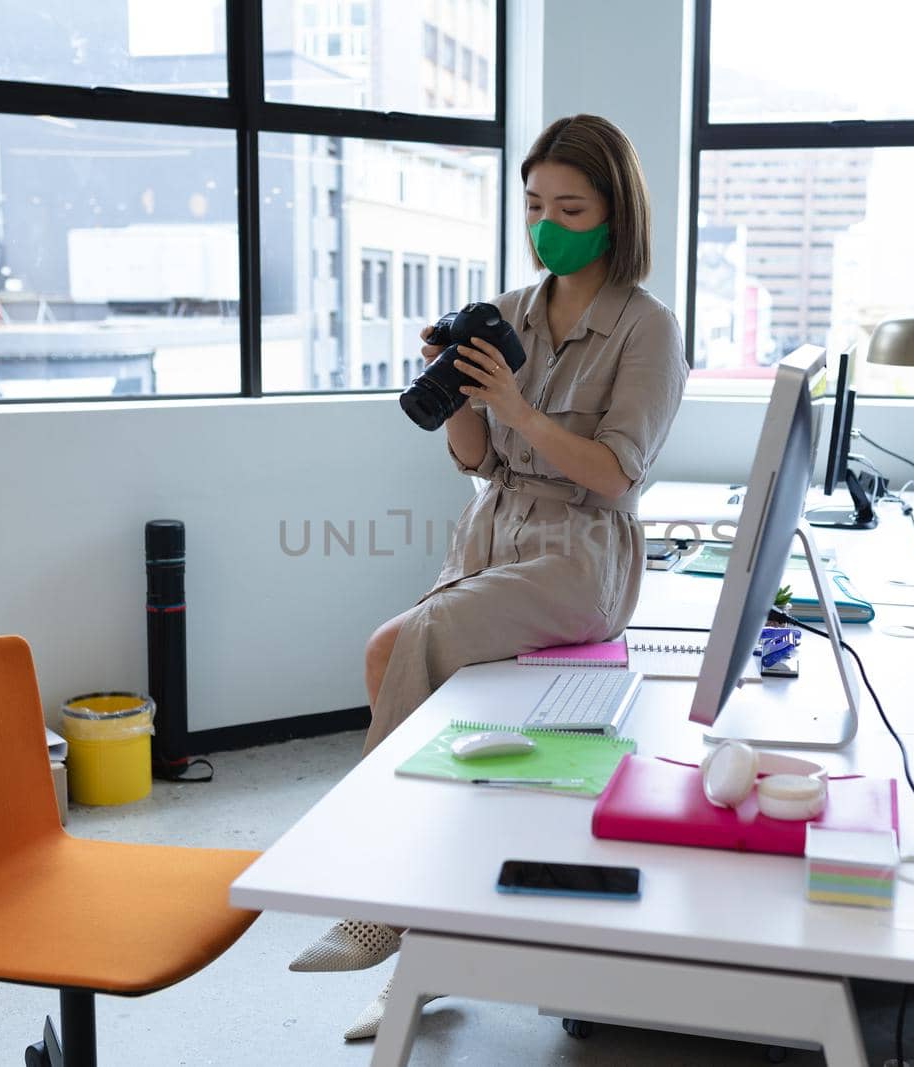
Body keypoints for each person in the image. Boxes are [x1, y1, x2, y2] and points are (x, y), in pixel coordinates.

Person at [289, 113, 688, 1042]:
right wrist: (459, 398)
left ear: (614, 212)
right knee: (414, 690)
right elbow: (477, 459)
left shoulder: (647, 329)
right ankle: (426, 943)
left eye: (570, 206)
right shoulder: (507, 309)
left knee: (400, 643)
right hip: (493, 531)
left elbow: (617, 473)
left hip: (579, 553)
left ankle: (377, 902)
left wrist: (521, 405)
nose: (548, 223)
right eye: (535, 204)